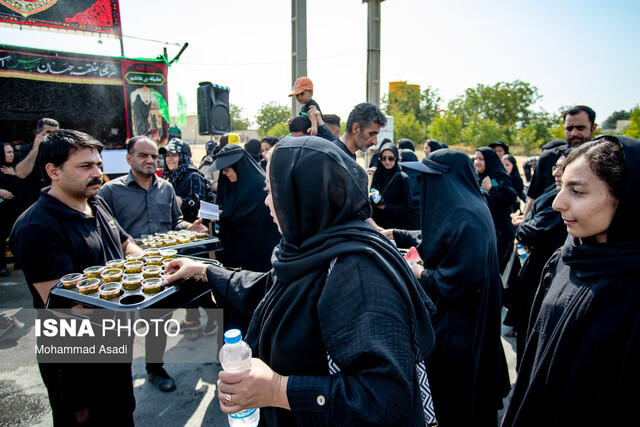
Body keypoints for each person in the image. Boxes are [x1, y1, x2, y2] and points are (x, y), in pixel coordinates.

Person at [164, 135, 438, 426]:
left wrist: (278, 390)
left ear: (303, 196)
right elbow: (267, 291)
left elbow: (384, 398)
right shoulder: (313, 248)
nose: (267, 201)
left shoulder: (357, 274)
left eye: (272, 191)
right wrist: (203, 270)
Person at [502, 136, 640, 426]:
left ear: (627, 197)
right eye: (561, 186)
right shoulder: (565, 259)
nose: (557, 203)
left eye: (577, 191)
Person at [10, 129, 138, 425]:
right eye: (85, 166)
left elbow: (125, 243)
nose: (97, 174)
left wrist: (153, 269)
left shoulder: (95, 202)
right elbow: (65, 307)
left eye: (99, 165)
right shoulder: (37, 228)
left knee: (122, 414)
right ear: (53, 171)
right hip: (76, 362)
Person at [400, 149, 508, 426]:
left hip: (459, 331)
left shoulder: (466, 218)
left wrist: (420, 272)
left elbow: (460, 282)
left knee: (456, 401)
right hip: (464, 325)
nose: (423, 185)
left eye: (428, 178)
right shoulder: (465, 207)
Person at [99, 135, 207, 392]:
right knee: (122, 329)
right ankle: (116, 376)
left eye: (153, 156)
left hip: (162, 270)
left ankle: (154, 368)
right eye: (143, 155)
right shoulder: (110, 191)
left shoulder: (166, 188)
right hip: (127, 273)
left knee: (157, 322)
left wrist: (189, 228)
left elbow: (174, 224)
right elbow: (104, 231)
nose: (150, 160)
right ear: (129, 158)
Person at [504, 150, 568, 367]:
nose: (557, 173)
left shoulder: (558, 198)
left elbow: (534, 229)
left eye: (563, 167)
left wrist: (525, 226)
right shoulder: (552, 191)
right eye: (555, 167)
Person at [210, 144, 281, 332]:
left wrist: (225, 216)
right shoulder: (230, 186)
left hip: (257, 259)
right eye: (222, 171)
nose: (225, 174)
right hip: (231, 256)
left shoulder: (259, 187)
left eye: (227, 169)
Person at [522, 105, 596, 217]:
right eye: (569, 128)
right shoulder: (548, 158)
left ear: (593, 128)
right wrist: (524, 223)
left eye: (580, 128)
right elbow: (533, 197)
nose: (574, 133)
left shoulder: (602, 159)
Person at [475, 147, 517, 270]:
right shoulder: (475, 176)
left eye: (481, 159)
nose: (477, 162)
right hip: (482, 229)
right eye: (476, 158)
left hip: (500, 229)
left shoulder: (499, 176)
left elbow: (510, 197)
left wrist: (492, 189)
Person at [160, 138, 214, 223]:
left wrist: (174, 199)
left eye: (174, 155)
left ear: (183, 157)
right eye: (167, 155)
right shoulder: (170, 178)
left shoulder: (194, 177)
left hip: (194, 230)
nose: (169, 159)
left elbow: (198, 209)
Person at [370, 142, 417, 230]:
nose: (387, 162)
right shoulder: (378, 174)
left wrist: (386, 207)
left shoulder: (402, 178)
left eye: (390, 158)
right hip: (376, 224)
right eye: (383, 158)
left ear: (396, 159)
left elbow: (407, 207)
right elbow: (373, 191)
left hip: (394, 226)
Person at [14, 118, 59, 208]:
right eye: (48, 132)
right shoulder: (26, 149)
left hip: (54, 199)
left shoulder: (60, 150)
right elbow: (21, 173)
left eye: (55, 133)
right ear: (37, 133)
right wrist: (35, 149)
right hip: (30, 200)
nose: (52, 136)